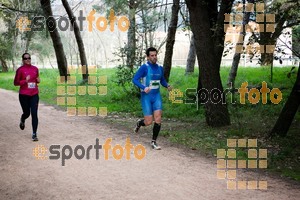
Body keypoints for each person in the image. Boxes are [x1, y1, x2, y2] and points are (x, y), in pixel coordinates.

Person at [132, 47, 172, 150]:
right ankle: (139, 123)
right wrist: (143, 87)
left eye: (155, 55)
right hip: (146, 97)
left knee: (158, 118)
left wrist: (167, 85)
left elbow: (162, 80)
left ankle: (154, 142)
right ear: (148, 57)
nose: (154, 57)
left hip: (156, 96)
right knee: (148, 122)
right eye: (152, 56)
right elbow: (135, 79)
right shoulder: (144, 67)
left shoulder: (160, 67)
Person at [14, 53, 40, 141]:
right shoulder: (20, 70)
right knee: (27, 113)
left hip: (34, 94)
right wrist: (25, 81)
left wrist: (38, 80)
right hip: (24, 95)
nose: (28, 59)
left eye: (29, 58)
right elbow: (16, 83)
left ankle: (34, 134)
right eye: (25, 58)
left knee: (34, 113)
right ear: (23, 60)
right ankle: (23, 118)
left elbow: (37, 79)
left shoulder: (35, 69)